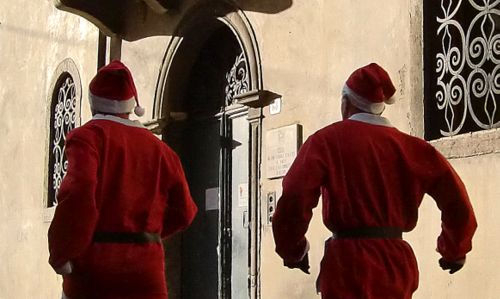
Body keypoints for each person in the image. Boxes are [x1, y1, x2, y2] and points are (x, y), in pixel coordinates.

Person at [272, 63, 477, 299]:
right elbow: (457, 201)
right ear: (379, 109)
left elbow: (295, 196)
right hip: (395, 264)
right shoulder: (414, 148)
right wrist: (454, 249)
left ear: (345, 103)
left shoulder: (325, 141)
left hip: (346, 265)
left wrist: (294, 250)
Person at [48, 60, 198, 299]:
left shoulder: (87, 137)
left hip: (95, 270)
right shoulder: (161, 150)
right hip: (147, 273)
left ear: (93, 102)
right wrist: (147, 233)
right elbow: (185, 211)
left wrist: (62, 252)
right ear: (131, 106)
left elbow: (77, 194)